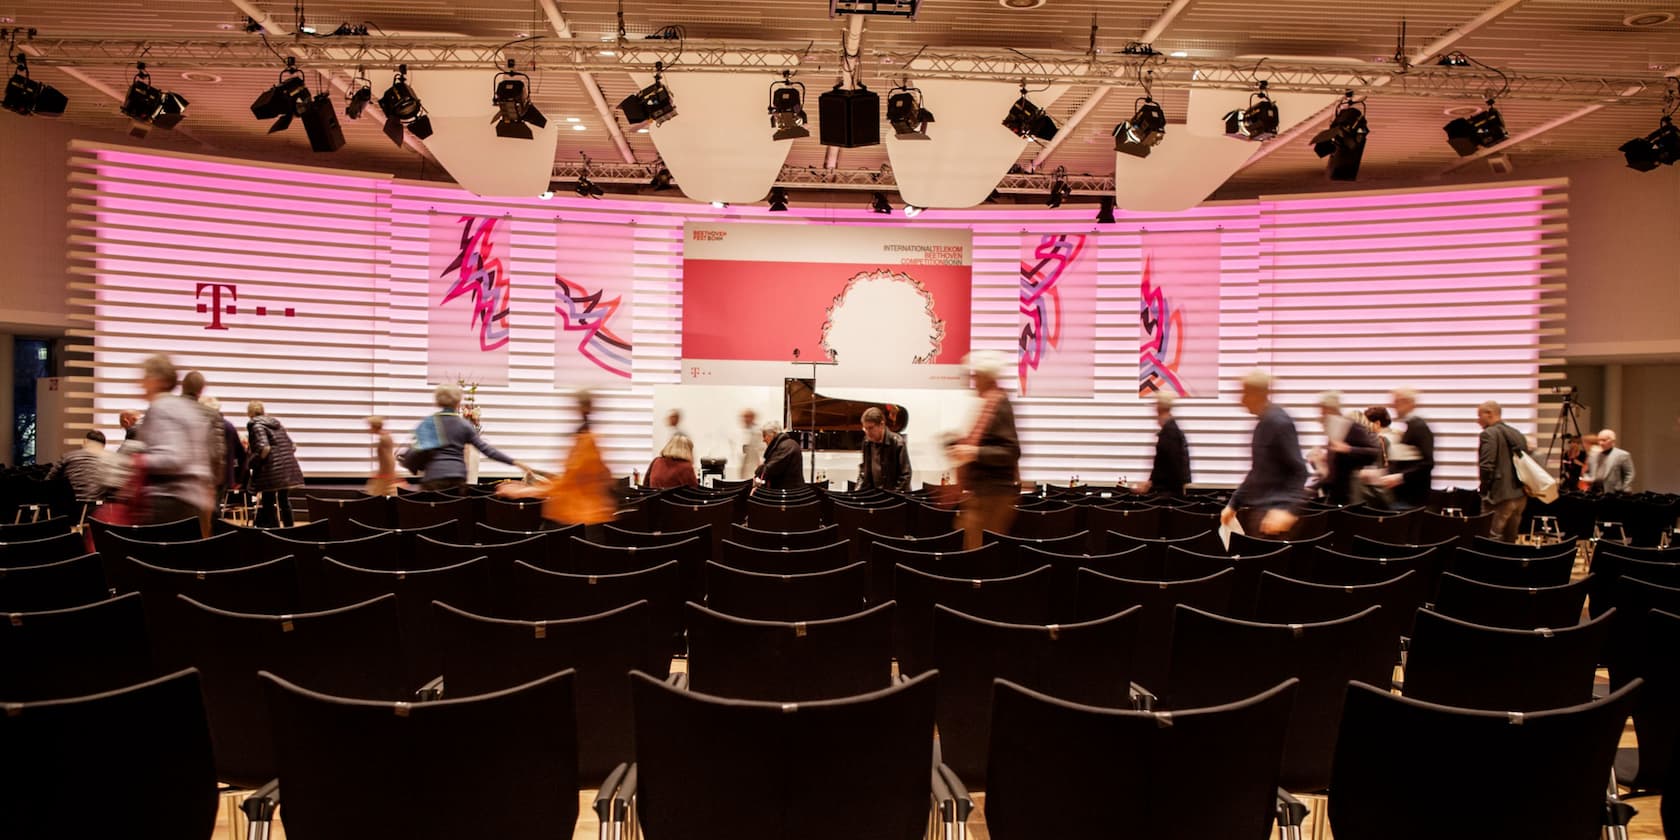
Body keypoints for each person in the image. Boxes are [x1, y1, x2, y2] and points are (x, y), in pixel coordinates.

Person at [497, 391, 615, 526]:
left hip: (579, 518)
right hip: (588, 517)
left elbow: (569, 482)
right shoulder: (591, 440)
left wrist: (527, 491)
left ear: (582, 408)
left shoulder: (587, 442)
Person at [948, 351, 1022, 550]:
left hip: (992, 497)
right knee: (973, 549)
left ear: (986, 377)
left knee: (977, 553)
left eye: (975, 376)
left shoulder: (999, 405)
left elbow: (1011, 451)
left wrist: (973, 452)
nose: (973, 381)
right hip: (984, 496)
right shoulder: (990, 403)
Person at [1222, 369, 1308, 537]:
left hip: (1275, 517)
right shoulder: (1264, 423)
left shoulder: (1278, 422)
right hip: (1262, 513)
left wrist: (1286, 510)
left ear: (1256, 394)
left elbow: (1299, 470)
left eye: (1243, 393)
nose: (1241, 400)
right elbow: (1258, 471)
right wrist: (1233, 504)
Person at [133, 354, 215, 526]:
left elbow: (174, 457)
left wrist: (137, 461)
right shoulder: (188, 408)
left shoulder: (161, 407)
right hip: (194, 500)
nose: (140, 384)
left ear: (157, 380)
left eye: (144, 378)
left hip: (168, 502)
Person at [416, 383, 534, 491]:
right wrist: (515, 462)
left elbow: (416, 451)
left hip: (432, 480)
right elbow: (487, 450)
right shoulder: (463, 425)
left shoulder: (428, 423)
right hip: (456, 480)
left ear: (437, 402)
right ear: (458, 402)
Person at [180, 371, 228, 535]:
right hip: (199, 484)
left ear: (182, 386)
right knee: (201, 534)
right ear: (201, 390)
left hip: (167, 487)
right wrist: (214, 483)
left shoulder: (165, 408)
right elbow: (216, 452)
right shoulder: (211, 415)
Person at [1315, 391, 1381, 507]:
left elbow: (1373, 452)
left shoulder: (1350, 426)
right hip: (1335, 491)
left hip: (1350, 492)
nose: (1321, 414)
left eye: (1323, 410)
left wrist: (1348, 449)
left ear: (1331, 409)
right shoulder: (1332, 427)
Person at [246, 401, 305, 528]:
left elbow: (264, 448)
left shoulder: (256, 426)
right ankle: (290, 529)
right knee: (284, 501)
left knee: (268, 500)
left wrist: (252, 462)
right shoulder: (276, 424)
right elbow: (292, 446)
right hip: (287, 469)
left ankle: (274, 531)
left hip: (270, 471)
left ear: (249, 413)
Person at [1477, 401, 1529, 542]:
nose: (1477, 420)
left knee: (1491, 537)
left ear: (1490, 413)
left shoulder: (1488, 434)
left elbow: (1487, 465)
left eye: (1479, 415)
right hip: (1519, 494)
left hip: (1499, 496)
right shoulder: (1517, 433)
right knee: (1510, 539)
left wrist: (1484, 489)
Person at [1382, 388, 1435, 510]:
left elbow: (1428, 463)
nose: (1393, 406)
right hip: (1403, 497)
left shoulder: (1419, 427)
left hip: (1411, 498)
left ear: (1408, 403)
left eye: (1397, 402)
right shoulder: (1408, 426)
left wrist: (1400, 477)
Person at [1136, 392, 1190, 496]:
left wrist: (1151, 484)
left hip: (1166, 494)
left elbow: (1170, 466)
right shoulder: (1172, 430)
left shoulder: (1169, 433)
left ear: (1159, 407)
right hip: (1169, 491)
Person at [200, 397, 245, 516]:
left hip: (205, 473)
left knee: (206, 508)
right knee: (215, 506)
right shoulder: (229, 426)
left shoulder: (201, 425)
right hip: (223, 476)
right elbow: (242, 454)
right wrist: (238, 478)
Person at [856, 406, 913, 492]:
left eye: (870, 428)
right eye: (865, 428)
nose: (867, 432)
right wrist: (857, 491)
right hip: (876, 494)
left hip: (895, 497)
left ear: (882, 425)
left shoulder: (897, 442)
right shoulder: (867, 442)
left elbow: (905, 475)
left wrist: (892, 497)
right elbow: (864, 471)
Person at [47, 430, 111, 502]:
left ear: (85, 442)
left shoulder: (68, 456)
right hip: (96, 505)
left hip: (69, 506)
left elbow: (49, 480)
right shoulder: (108, 461)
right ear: (103, 446)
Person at [755, 421, 806, 490]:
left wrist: (760, 468)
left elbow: (769, 470)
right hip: (790, 490)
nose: (763, 440)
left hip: (787, 494)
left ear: (773, 434)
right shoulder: (788, 444)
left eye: (764, 435)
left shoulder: (785, 447)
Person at [1586, 428, 1635, 494]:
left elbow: (1630, 474)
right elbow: (1590, 471)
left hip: (1614, 492)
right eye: (1599, 440)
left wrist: (1623, 488)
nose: (1601, 443)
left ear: (1612, 441)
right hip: (1596, 491)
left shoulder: (1622, 455)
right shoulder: (1595, 455)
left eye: (1604, 440)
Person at [366, 416, 399, 496]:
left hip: (385, 472)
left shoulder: (384, 439)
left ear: (375, 426)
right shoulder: (386, 436)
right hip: (386, 471)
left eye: (370, 426)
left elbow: (387, 457)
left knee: (376, 494)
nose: (368, 429)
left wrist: (384, 473)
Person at [736, 409, 764, 480]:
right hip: (745, 466)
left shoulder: (758, 432)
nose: (744, 420)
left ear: (752, 418)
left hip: (753, 467)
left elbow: (760, 451)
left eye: (746, 417)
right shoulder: (742, 431)